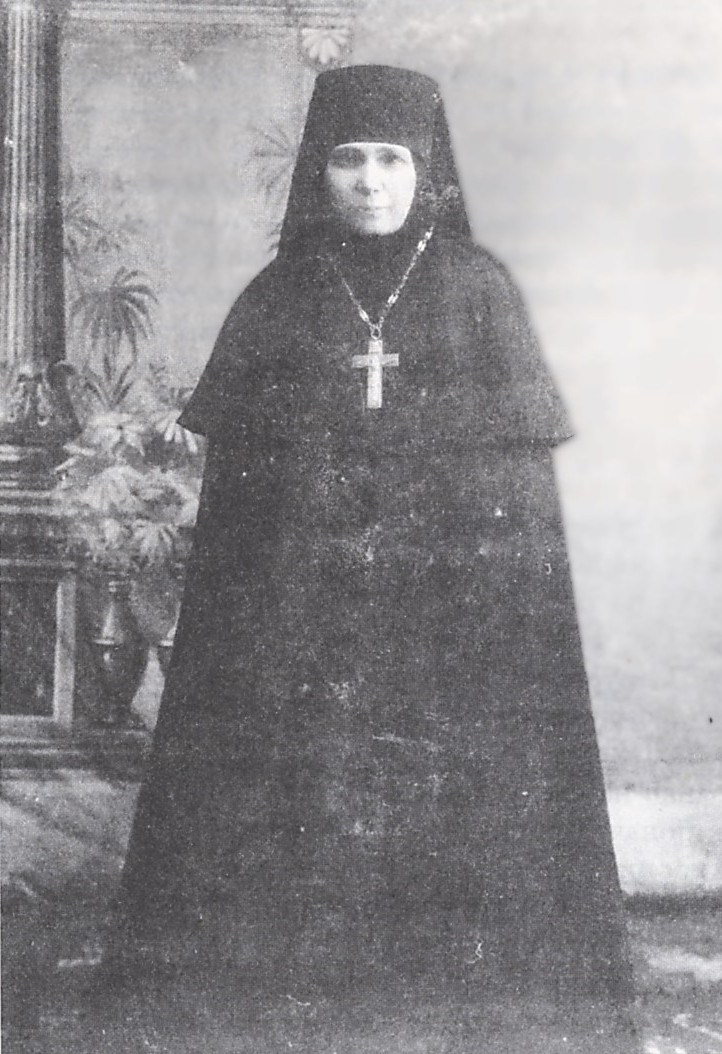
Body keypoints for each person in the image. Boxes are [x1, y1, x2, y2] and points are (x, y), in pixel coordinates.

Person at [117, 65, 637, 1041]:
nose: (368, 181)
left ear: (426, 172)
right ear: (318, 172)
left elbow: (517, 513)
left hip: (447, 624)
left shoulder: (479, 292)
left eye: (390, 159)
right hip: (302, 630)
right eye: (347, 159)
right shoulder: (276, 299)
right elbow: (242, 522)